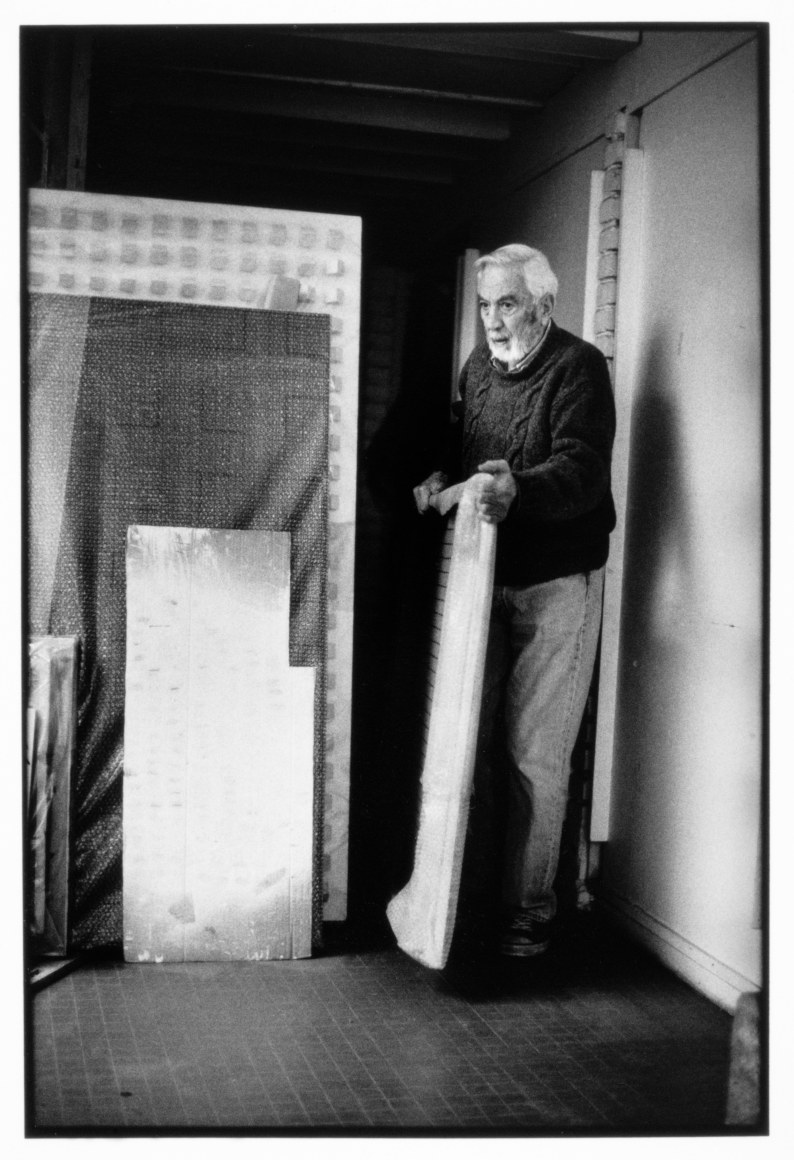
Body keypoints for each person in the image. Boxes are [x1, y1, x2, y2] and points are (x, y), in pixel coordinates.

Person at [413, 243, 616, 958]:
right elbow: (467, 444)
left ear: (543, 307)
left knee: (536, 753)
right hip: (483, 575)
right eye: (485, 305)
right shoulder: (479, 369)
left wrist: (517, 490)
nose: (493, 321)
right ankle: (459, 906)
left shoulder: (579, 366)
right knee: (463, 739)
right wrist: (442, 473)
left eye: (507, 304)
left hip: (559, 581)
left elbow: (583, 471)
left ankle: (528, 916)